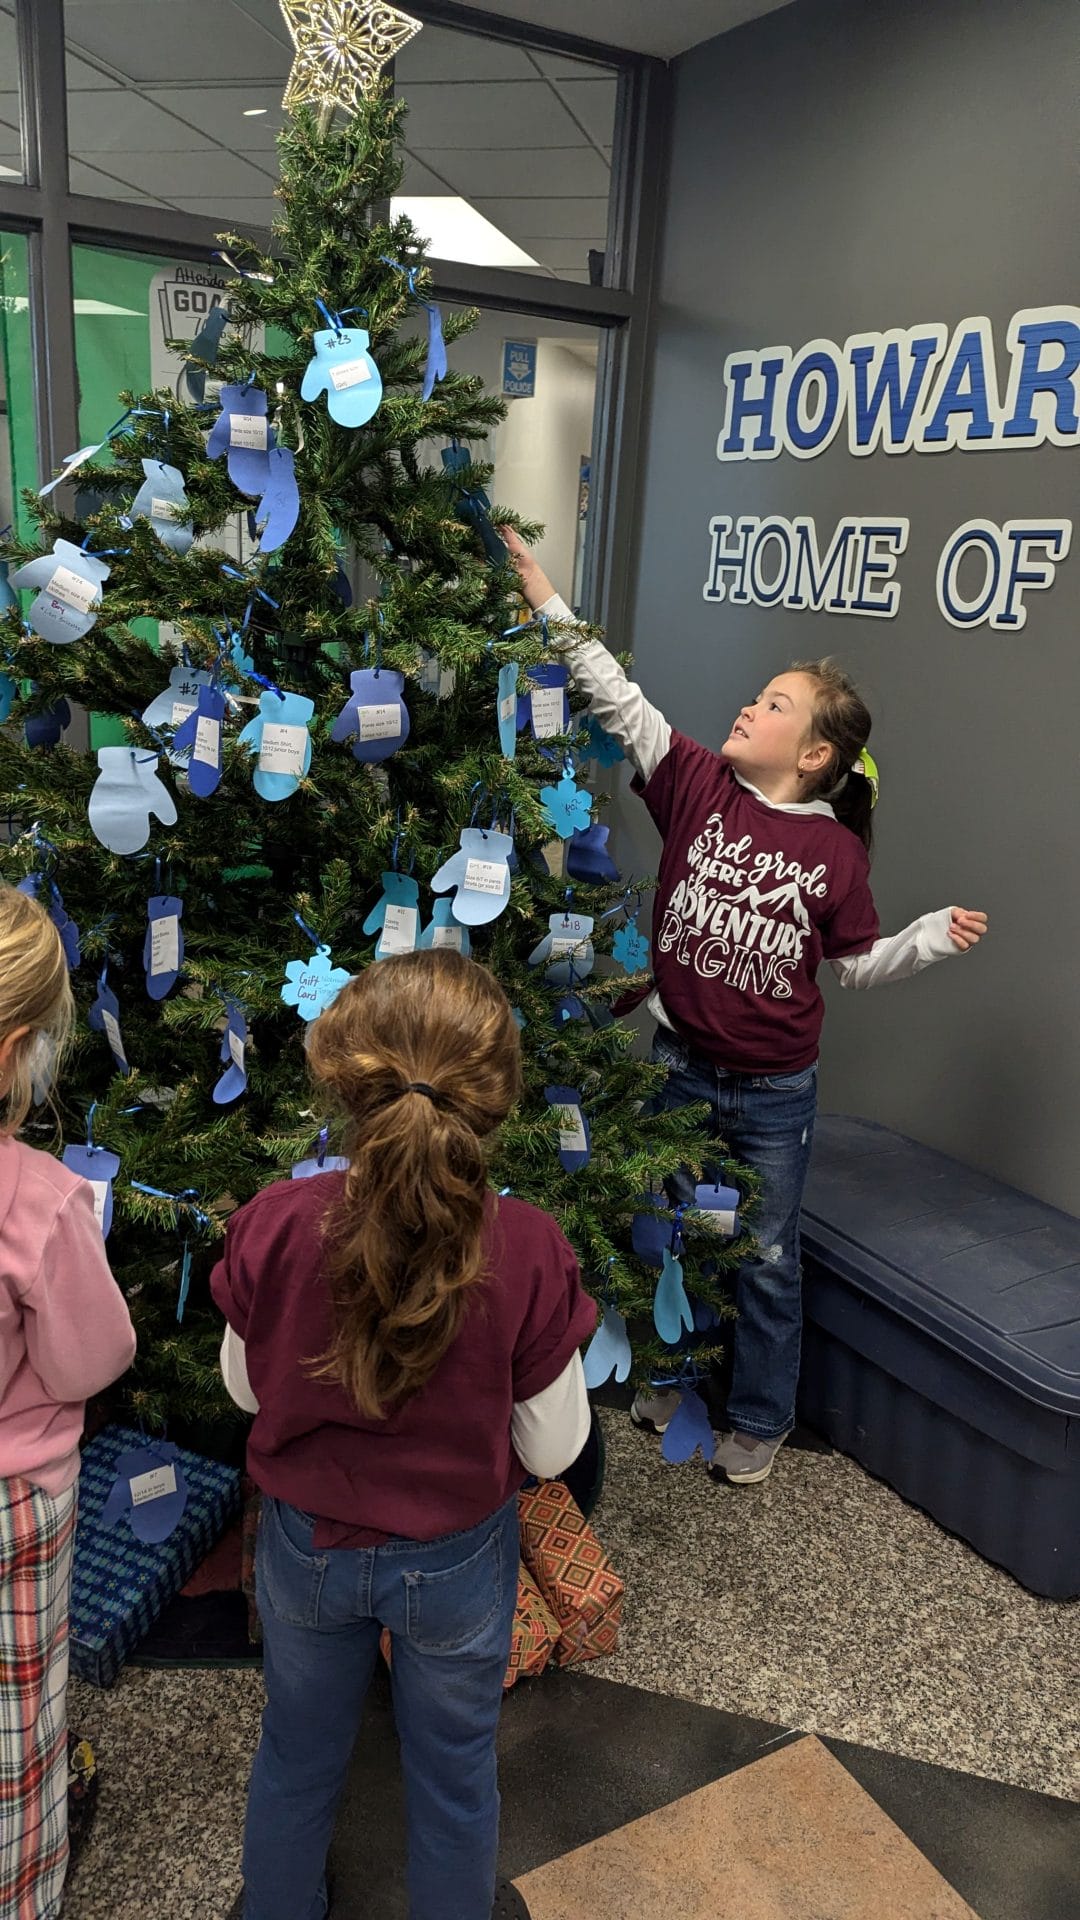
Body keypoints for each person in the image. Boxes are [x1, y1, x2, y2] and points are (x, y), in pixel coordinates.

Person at [503, 527, 988, 1486]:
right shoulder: (695, 786)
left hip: (774, 1096)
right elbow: (620, 698)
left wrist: (928, 939)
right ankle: (672, 1383)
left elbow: (853, 967)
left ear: (812, 755)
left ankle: (761, 1417)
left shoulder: (837, 856)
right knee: (668, 1231)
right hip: (679, 1067)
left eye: (772, 705)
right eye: (757, 695)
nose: (747, 706)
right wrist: (549, 604)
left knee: (764, 1256)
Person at [212, 950, 596, 1920]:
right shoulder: (533, 1248)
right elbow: (552, 1451)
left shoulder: (273, 1222)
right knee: (456, 1773)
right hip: (458, 1560)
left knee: (296, 1755)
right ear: (496, 1100)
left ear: (343, 1080)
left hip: (306, 1548)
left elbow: (245, 1390)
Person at [0, 886, 136, 1920]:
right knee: (16, 1739)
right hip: (15, 1505)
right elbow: (92, 1358)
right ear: (16, 1049)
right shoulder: (38, 1197)